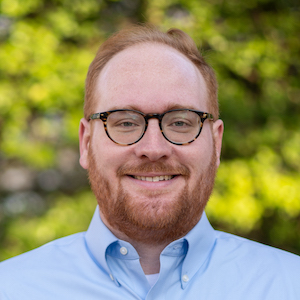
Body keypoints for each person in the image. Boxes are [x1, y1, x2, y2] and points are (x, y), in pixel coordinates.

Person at [0, 24, 299, 300]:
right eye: (126, 123)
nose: (153, 148)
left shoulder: (288, 284)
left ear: (216, 143)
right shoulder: (12, 288)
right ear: (86, 142)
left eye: (181, 122)